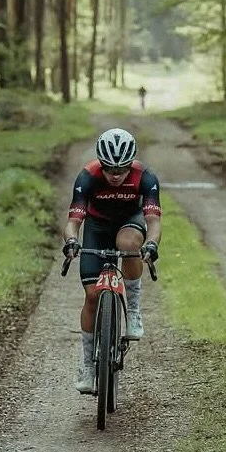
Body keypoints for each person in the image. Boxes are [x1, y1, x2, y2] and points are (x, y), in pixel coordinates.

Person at [62, 127, 162, 393]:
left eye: (121, 170)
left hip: (130, 222)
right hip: (97, 227)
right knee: (93, 296)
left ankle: (133, 311)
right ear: (101, 164)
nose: (116, 176)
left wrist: (151, 244)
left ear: (130, 165)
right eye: (110, 170)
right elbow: (74, 221)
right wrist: (71, 241)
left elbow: (153, 221)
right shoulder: (87, 177)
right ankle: (88, 366)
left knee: (128, 244)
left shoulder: (145, 177)